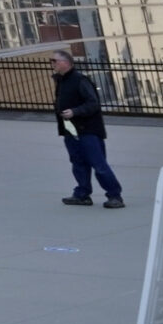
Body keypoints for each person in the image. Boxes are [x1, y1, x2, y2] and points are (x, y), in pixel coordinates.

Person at [53, 49, 125, 207]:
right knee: (78, 162)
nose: (53, 64)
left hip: (88, 130)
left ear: (65, 63)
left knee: (98, 164)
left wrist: (75, 111)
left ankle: (114, 195)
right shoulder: (61, 81)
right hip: (71, 129)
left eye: (55, 61)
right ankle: (82, 194)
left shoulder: (80, 80)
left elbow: (93, 103)